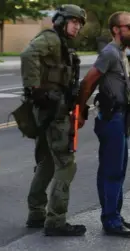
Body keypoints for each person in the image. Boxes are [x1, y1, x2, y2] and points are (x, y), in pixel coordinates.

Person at [19, 4, 88, 236]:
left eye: (79, 23)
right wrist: (34, 89)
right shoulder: (51, 39)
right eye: (73, 21)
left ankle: (36, 213)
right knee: (66, 164)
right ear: (60, 20)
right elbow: (28, 54)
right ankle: (56, 220)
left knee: (47, 161)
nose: (77, 26)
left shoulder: (63, 45)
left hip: (53, 107)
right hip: (52, 110)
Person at [76, 11, 130, 237]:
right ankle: (111, 220)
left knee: (117, 170)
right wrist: (80, 110)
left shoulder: (121, 53)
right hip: (112, 119)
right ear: (116, 29)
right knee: (112, 171)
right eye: (129, 26)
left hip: (121, 118)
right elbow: (88, 81)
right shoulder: (109, 53)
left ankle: (114, 215)